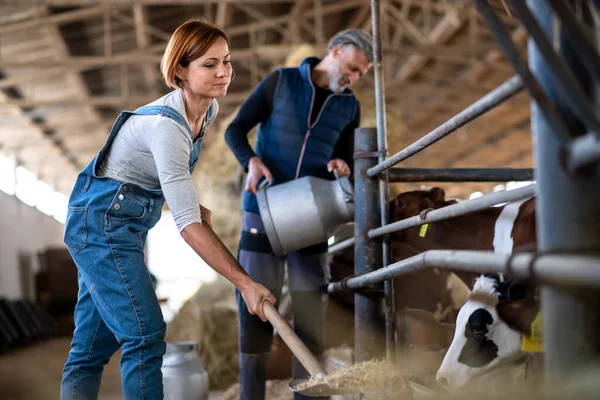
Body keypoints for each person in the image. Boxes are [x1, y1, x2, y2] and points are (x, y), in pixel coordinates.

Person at [60, 18, 275, 400]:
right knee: (144, 334)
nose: (224, 73)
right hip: (99, 224)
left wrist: (191, 203)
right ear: (180, 70)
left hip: (122, 225)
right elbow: (188, 226)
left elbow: (167, 183)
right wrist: (245, 284)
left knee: (90, 350)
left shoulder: (205, 112)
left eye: (226, 61)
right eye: (209, 65)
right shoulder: (167, 127)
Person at [225, 29, 373, 400]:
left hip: (312, 216)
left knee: (309, 313)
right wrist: (252, 161)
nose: (353, 78)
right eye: (352, 68)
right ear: (335, 51)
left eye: (360, 75)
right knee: (256, 308)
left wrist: (341, 166)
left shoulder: (348, 106)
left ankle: (307, 396)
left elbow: (344, 158)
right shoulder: (282, 82)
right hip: (263, 208)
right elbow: (235, 130)